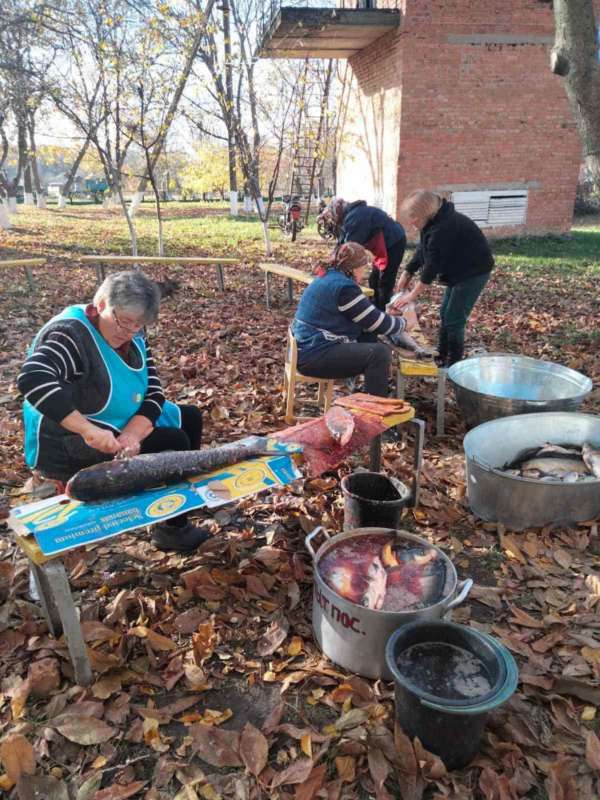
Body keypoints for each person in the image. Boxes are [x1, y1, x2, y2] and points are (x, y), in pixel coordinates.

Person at [17, 271, 208, 553]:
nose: (129, 332)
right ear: (100, 305)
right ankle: (172, 524)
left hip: (114, 420)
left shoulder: (133, 335)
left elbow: (154, 392)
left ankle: (177, 510)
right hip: (69, 439)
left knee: (190, 418)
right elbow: (32, 378)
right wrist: (87, 430)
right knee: (174, 442)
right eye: (124, 322)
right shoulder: (70, 334)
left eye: (138, 325)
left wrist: (133, 434)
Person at [292, 242, 416, 396]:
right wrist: (405, 323)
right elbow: (379, 324)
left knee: (368, 335)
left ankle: (372, 389)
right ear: (355, 268)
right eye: (364, 267)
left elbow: (368, 318)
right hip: (313, 356)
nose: (364, 273)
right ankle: (374, 409)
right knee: (379, 354)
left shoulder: (329, 276)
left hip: (305, 348)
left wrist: (386, 316)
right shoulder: (345, 288)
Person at [390, 190, 494, 367]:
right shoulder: (432, 222)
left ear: (424, 212)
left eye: (413, 216)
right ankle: (441, 353)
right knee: (445, 312)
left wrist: (411, 296)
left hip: (473, 272)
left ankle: (453, 364)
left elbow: (432, 265)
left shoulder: (444, 227)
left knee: (454, 318)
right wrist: (407, 272)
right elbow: (423, 250)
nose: (411, 221)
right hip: (458, 270)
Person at [330, 197, 406, 311]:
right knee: (373, 280)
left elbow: (349, 248)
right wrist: (331, 260)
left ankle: (382, 313)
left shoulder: (356, 217)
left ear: (339, 212)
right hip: (382, 245)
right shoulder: (351, 215)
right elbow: (341, 242)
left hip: (394, 242)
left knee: (384, 281)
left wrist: (336, 266)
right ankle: (373, 308)